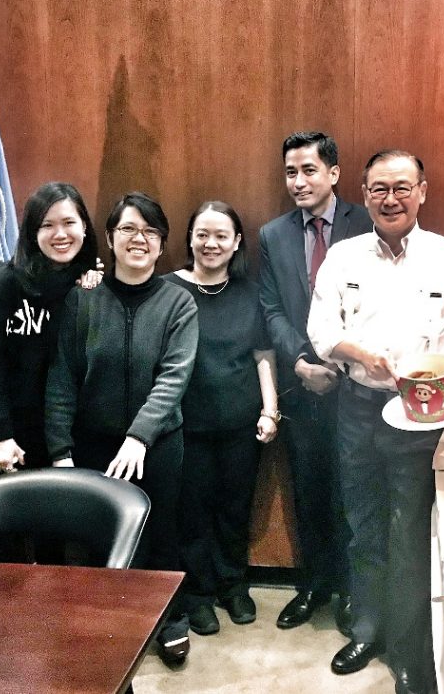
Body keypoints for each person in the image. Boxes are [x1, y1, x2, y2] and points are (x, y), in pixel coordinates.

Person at [307, 150, 444, 694]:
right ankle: (367, 630)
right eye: (380, 189)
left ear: (422, 192)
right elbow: (321, 330)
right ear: (365, 195)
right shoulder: (343, 257)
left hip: (424, 415)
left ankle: (409, 650)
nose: (391, 199)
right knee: (362, 522)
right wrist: (359, 355)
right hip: (358, 408)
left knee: (410, 529)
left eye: (402, 188)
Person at [45, 192, 198, 665]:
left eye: (150, 231)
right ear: (109, 238)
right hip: (95, 443)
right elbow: (62, 376)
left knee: (162, 534)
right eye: (128, 229)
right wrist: (60, 449)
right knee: (99, 541)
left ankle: (170, 618)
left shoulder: (178, 302)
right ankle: (107, 622)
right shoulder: (83, 298)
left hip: (158, 444)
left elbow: (174, 377)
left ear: (162, 243)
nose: (139, 239)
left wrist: (140, 436)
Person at [258, 131, 372, 634]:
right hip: (301, 385)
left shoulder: (365, 222)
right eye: (290, 172)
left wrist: (340, 364)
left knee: (354, 492)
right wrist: (303, 361)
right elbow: (271, 309)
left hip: (356, 387)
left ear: (334, 173)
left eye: (308, 170)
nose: (298, 181)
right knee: (307, 491)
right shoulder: (273, 235)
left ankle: (350, 591)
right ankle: (313, 585)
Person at [163, 201, 279, 637]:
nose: (210, 244)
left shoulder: (250, 293)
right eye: (202, 234)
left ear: (236, 243)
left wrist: (270, 410)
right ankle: (197, 594)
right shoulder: (168, 289)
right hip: (184, 427)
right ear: (190, 238)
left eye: (221, 236)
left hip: (241, 425)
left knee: (235, 509)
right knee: (191, 513)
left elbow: (263, 355)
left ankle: (233, 585)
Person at [0, 182, 99, 486]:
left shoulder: (88, 285)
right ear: (32, 233)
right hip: (8, 432)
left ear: (84, 227)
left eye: (69, 222)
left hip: (62, 430)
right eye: (47, 225)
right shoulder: (5, 285)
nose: (60, 234)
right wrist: (1, 435)